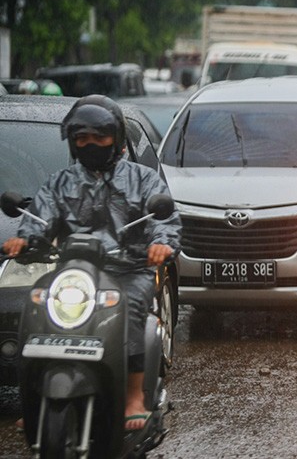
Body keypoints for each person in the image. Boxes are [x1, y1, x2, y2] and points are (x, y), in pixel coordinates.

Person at [2, 94, 182, 431]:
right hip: (73, 274)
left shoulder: (142, 180)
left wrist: (161, 243)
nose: (91, 144)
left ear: (116, 139)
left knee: (129, 309)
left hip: (127, 269)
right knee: (37, 307)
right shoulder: (61, 182)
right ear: (72, 142)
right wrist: (23, 239)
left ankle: (132, 396)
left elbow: (165, 218)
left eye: (99, 137)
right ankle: (36, 397)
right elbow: (39, 217)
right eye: (82, 138)